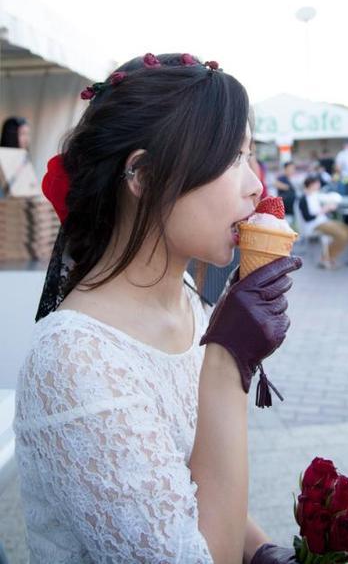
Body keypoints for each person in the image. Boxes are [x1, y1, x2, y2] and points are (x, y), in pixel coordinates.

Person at [13, 53, 302, 564]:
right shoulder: (73, 361)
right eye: (231, 157)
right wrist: (227, 359)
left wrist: (262, 549)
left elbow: (189, 488)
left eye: (248, 154)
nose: (256, 185)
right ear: (143, 175)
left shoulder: (189, 298)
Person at [299, 175, 348, 268]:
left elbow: (331, 198)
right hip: (315, 225)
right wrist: (324, 210)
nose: (319, 185)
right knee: (342, 235)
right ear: (312, 184)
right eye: (317, 183)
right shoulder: (303, 199)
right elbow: (307, 218)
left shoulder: (315, 195)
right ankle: (326, 258)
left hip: (323, 221)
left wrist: (327, 207)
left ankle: (329, 257)